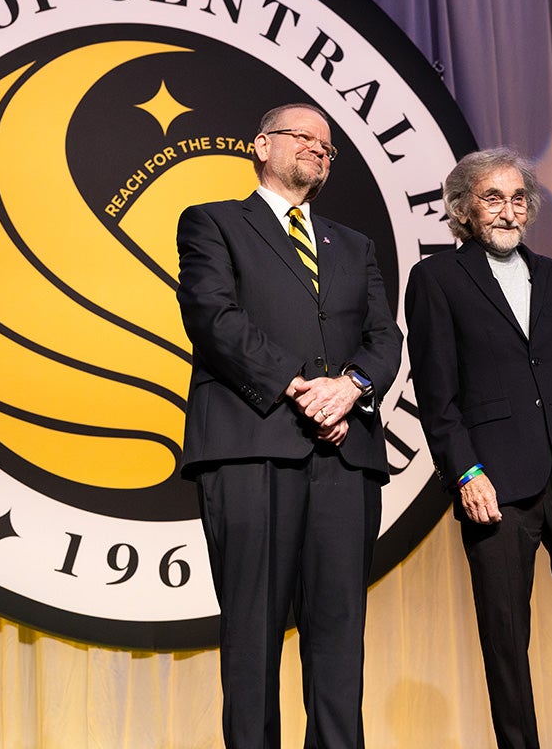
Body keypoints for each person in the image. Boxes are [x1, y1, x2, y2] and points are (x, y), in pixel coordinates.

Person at [175, 102, 402, 748]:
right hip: (252, 445)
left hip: (343, 456)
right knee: (253, 631)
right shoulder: (213, 223)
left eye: (328, 148)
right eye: (303, 137)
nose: (318, 151)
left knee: (338, 635)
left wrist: (350, 387)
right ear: (260, 145)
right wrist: (302, 389)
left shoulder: (353, 245)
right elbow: (213, 317)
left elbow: (384, 337)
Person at [405, 147, 552, 749]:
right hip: (495, 485)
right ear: (463, 210)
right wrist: (465, 472)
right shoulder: (435, 279)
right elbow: (436, 392)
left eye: (519, 198)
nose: (509, 211)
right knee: (505, 640)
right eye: (493, 198)